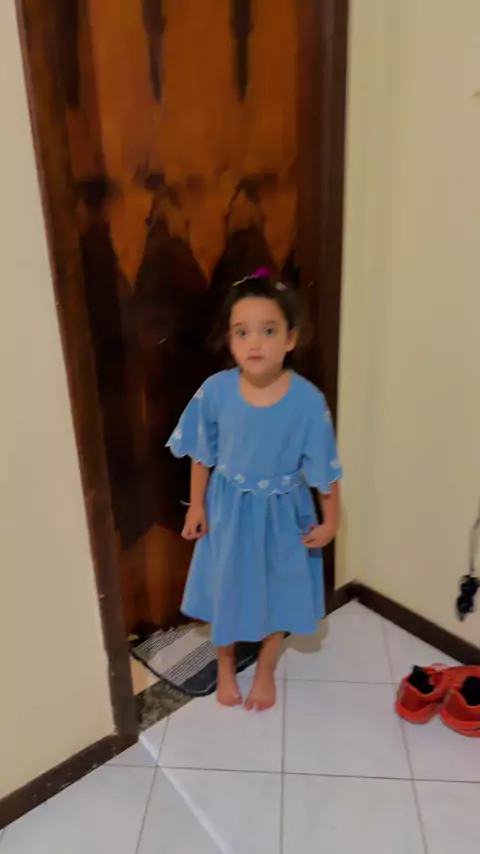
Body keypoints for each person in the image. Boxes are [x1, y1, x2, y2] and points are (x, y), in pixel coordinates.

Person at [167, 270, 342, 711]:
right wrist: (196, 506)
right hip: (230, 511)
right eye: (242, 332)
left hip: (286, 515)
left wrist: (332, 520)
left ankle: (265, 665)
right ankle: (225, 662)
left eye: (268, 331)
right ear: (229, 340)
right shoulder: (216, 391)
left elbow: (325, 467)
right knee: (226, 586)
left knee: (279, 588)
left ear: (290, 338)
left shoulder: (308, 401)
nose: (255, 343)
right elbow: (201, 453)